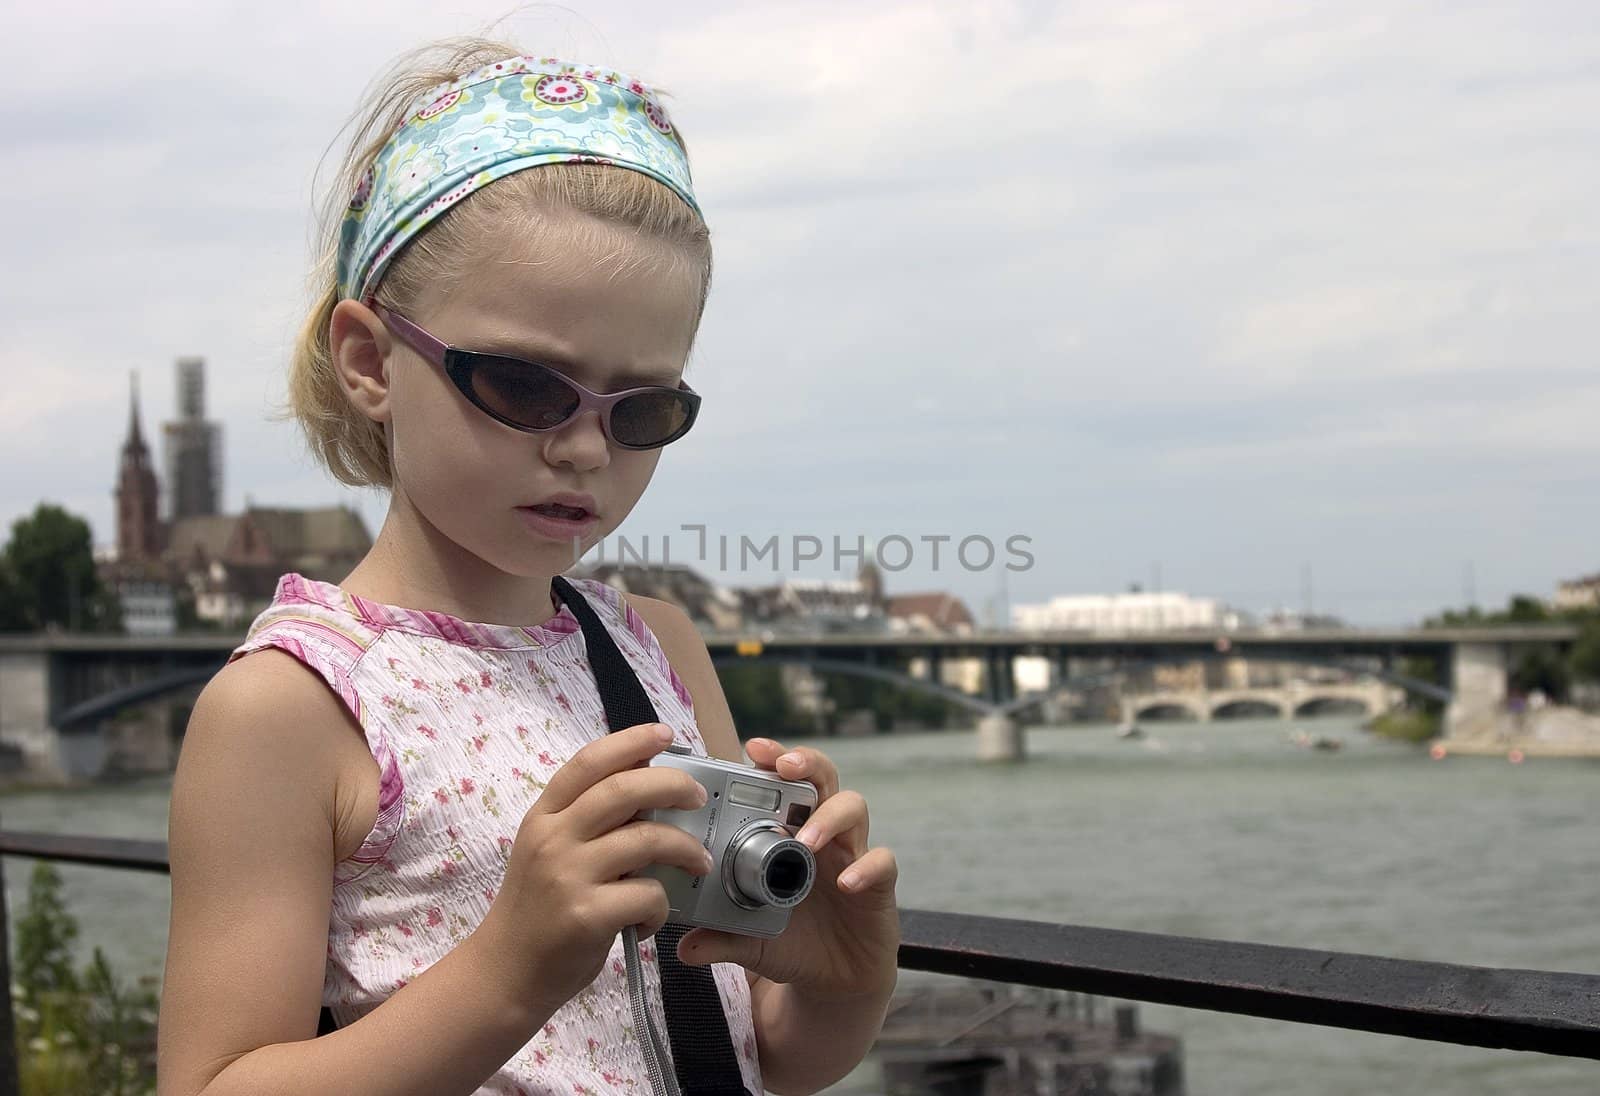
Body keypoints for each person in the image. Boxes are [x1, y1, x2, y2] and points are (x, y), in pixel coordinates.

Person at [157, 36, 899, 1096]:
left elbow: (764, 1054)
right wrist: (508, 974)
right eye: (523, 386)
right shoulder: (294, 703)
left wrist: (841, 981)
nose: (586, 448)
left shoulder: (658, 643)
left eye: (642, 409)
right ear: (369, 361)